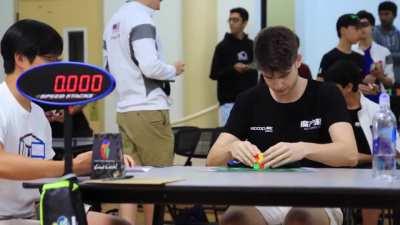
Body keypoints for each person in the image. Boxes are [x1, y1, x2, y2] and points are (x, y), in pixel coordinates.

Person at [207, 26, 358, 225]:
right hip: (263, 194)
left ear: (298, 60)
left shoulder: (326, 94)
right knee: (235, 219)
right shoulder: (249, 100)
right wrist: (232, 148)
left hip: (317, 194)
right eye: (269, 77)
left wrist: (303, 149)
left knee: (301, 219)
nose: (278, 85)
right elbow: (212, 160)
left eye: (284, 75)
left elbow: (349, 154)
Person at [0, 19, 132, 225]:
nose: (56, 68)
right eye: (51, 60)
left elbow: (45, 172)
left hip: (37, 209)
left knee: (118, 223)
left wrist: (98, 162)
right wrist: (69, 166)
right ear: (21, 59)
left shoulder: (37, 112)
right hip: (7, 217)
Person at [103, 0, 184, 224]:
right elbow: (150, 66)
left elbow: (108, 69)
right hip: (148, 109)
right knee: (157, 180)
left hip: (125, 110)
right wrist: (173, 70)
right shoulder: (140, 18)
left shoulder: (114, 20)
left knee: (130, 180)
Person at [324, 60, 400, 225]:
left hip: (368, 172)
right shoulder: (327, 111)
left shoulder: (376, 112)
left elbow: (393, 152)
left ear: (349, 87)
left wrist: (362, 158)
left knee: (373, 187)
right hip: (333, 170)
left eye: (334, 88)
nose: (328, 92)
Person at [209, 7, 258, 126]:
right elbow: (214, 74)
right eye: (230, 20)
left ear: (244, 23)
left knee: (250, 141)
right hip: (229, 103)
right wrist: (233, 68)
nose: (231, 23)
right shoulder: (222, 47)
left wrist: (250, 67)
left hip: (250, 101)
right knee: (230, 140)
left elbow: (259, 66)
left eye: (235, 20)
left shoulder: (252, 45)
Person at [353, 10, 394, 103]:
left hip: (379, 102)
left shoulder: (385, 52)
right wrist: (362, 82)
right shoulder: (351, 51)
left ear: (372, 27)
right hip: (357, 102)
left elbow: (391, 82)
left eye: (365, 24)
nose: (362, 28)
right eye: (359, 26)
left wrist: (379, 76)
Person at [317, 14, 363, 81]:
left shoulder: (359, 58)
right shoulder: (329, 57)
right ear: (343, 30)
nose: (360, 32)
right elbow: (319, 83)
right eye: (356, 28)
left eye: (360, 29)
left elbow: (361, 82)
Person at [373, 1, 400, 83]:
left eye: (386, 14)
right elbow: (378, 57)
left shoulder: (398, 34)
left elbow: (385, 56)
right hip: (380, 81)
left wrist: (387, 56)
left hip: (397, 80)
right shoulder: (373, 33)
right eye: (381, 14)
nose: (383, 17)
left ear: (394, 15)